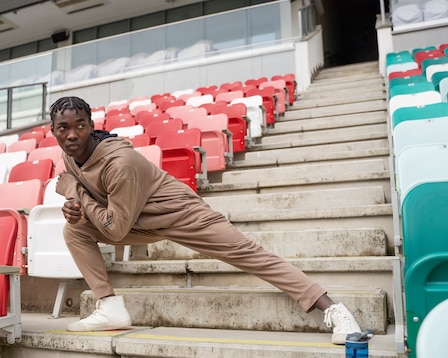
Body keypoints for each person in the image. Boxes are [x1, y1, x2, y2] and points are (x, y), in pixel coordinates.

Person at [51, 96, 362, 345]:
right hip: (135, 220)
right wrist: (76, 208)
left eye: (79, 125)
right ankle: (110, 308)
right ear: (54, 131)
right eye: (63, 128)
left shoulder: (120, 162)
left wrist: (76, 192)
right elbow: (100, 208)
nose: (72, 134)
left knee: (248, 253)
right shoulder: (70, 155)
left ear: (91, 125)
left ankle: (334, 310)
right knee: (73, 229)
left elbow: (114, 230)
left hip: (181, 214)